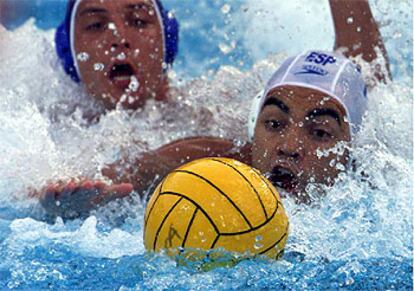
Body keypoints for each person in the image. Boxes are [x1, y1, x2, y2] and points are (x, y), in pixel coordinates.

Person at [35, 0, 391, 218]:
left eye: (319, 133)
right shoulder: (221, 159)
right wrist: (73, 200)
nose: (289, 146)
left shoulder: (384, 192)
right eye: (273, 123)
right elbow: (134, 170)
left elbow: (365, 69)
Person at [55, 0, 178, 117]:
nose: (120, 38)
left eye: (138, 21)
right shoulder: (47, 125)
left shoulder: (195, 116)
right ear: (71, 52)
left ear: (165, 42)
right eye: (96, 25)